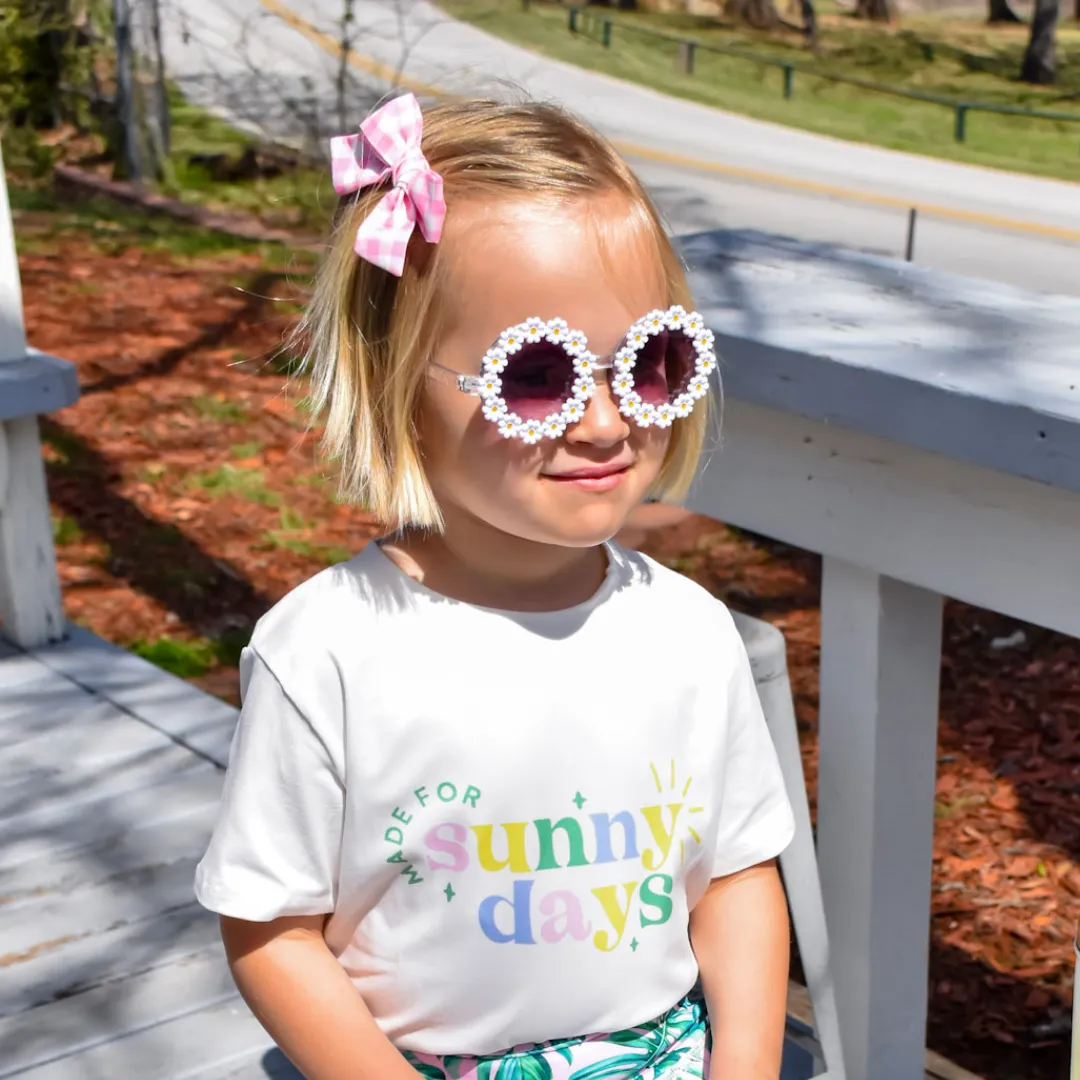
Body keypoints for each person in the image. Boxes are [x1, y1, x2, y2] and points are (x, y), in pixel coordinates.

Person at [195, 91, 796, 1080]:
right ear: (395, 378)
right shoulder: (332, 650)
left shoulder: (688, 632)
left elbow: (735, 874)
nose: (605, 424)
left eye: (650, 362)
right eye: (537, 377)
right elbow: (272, 929)